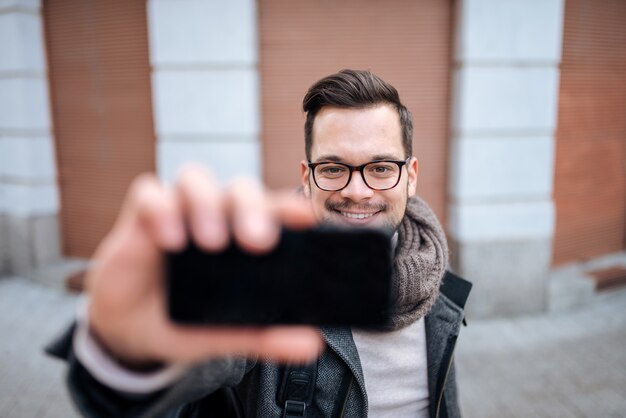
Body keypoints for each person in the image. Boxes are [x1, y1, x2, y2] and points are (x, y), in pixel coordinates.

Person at [47, 69, 471, 418]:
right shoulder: (263, 279)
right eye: (333, 168)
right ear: (306, 177)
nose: (357, 191)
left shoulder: (435, 277)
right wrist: (125, 356)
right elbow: (176, 392)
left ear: (410, 174)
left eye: (380, 167)